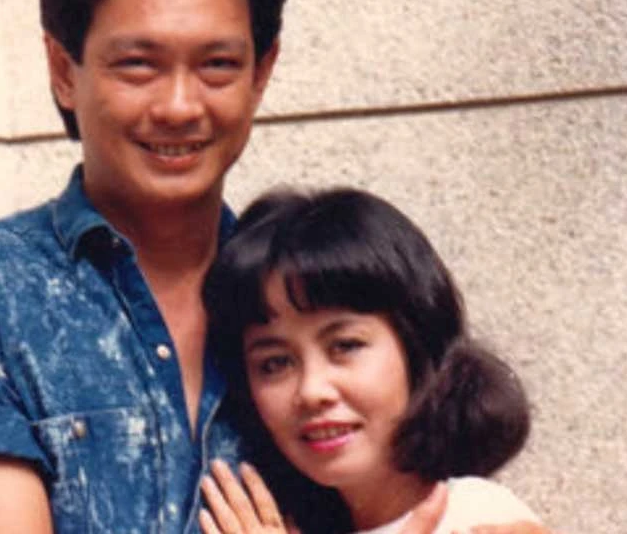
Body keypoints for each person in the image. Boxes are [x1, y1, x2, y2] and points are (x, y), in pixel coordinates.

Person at [0, 0, 549, 532]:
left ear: (261, 73)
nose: (180, 106)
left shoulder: (298, 296)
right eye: (138, 64)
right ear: (63, 70)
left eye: (217, 65)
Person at [200, 187, 541, 533]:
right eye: (275, 364)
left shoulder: (480, 517)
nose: (312, 391)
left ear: (417, 343)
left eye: (345, 346)